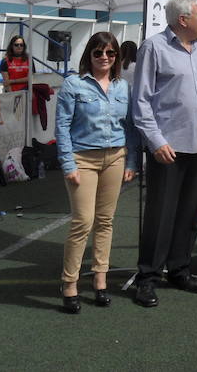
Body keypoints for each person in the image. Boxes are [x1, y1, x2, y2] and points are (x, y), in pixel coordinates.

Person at [131, 0, 197, 307]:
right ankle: (147, 277)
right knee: (160, 213)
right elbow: (141, 100)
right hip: (168, 146)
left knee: (189, 212)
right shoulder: (154, 47)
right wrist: (156, 140)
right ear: (182, 19)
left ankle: (179, 269)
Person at [55, 32, 138, 314]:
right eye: (98, 52)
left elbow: (130, 128)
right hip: (83, 159)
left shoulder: (122, 87)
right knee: (83, 221)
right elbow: (62, 127)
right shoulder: (73, 85)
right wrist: (68, 164)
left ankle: (100, 279)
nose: (104, 57)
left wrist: (131, 162)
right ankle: (70, 283)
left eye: (110, 53)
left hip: (115, 157)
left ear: (117, 57)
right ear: (88, 55)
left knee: (105, 221)